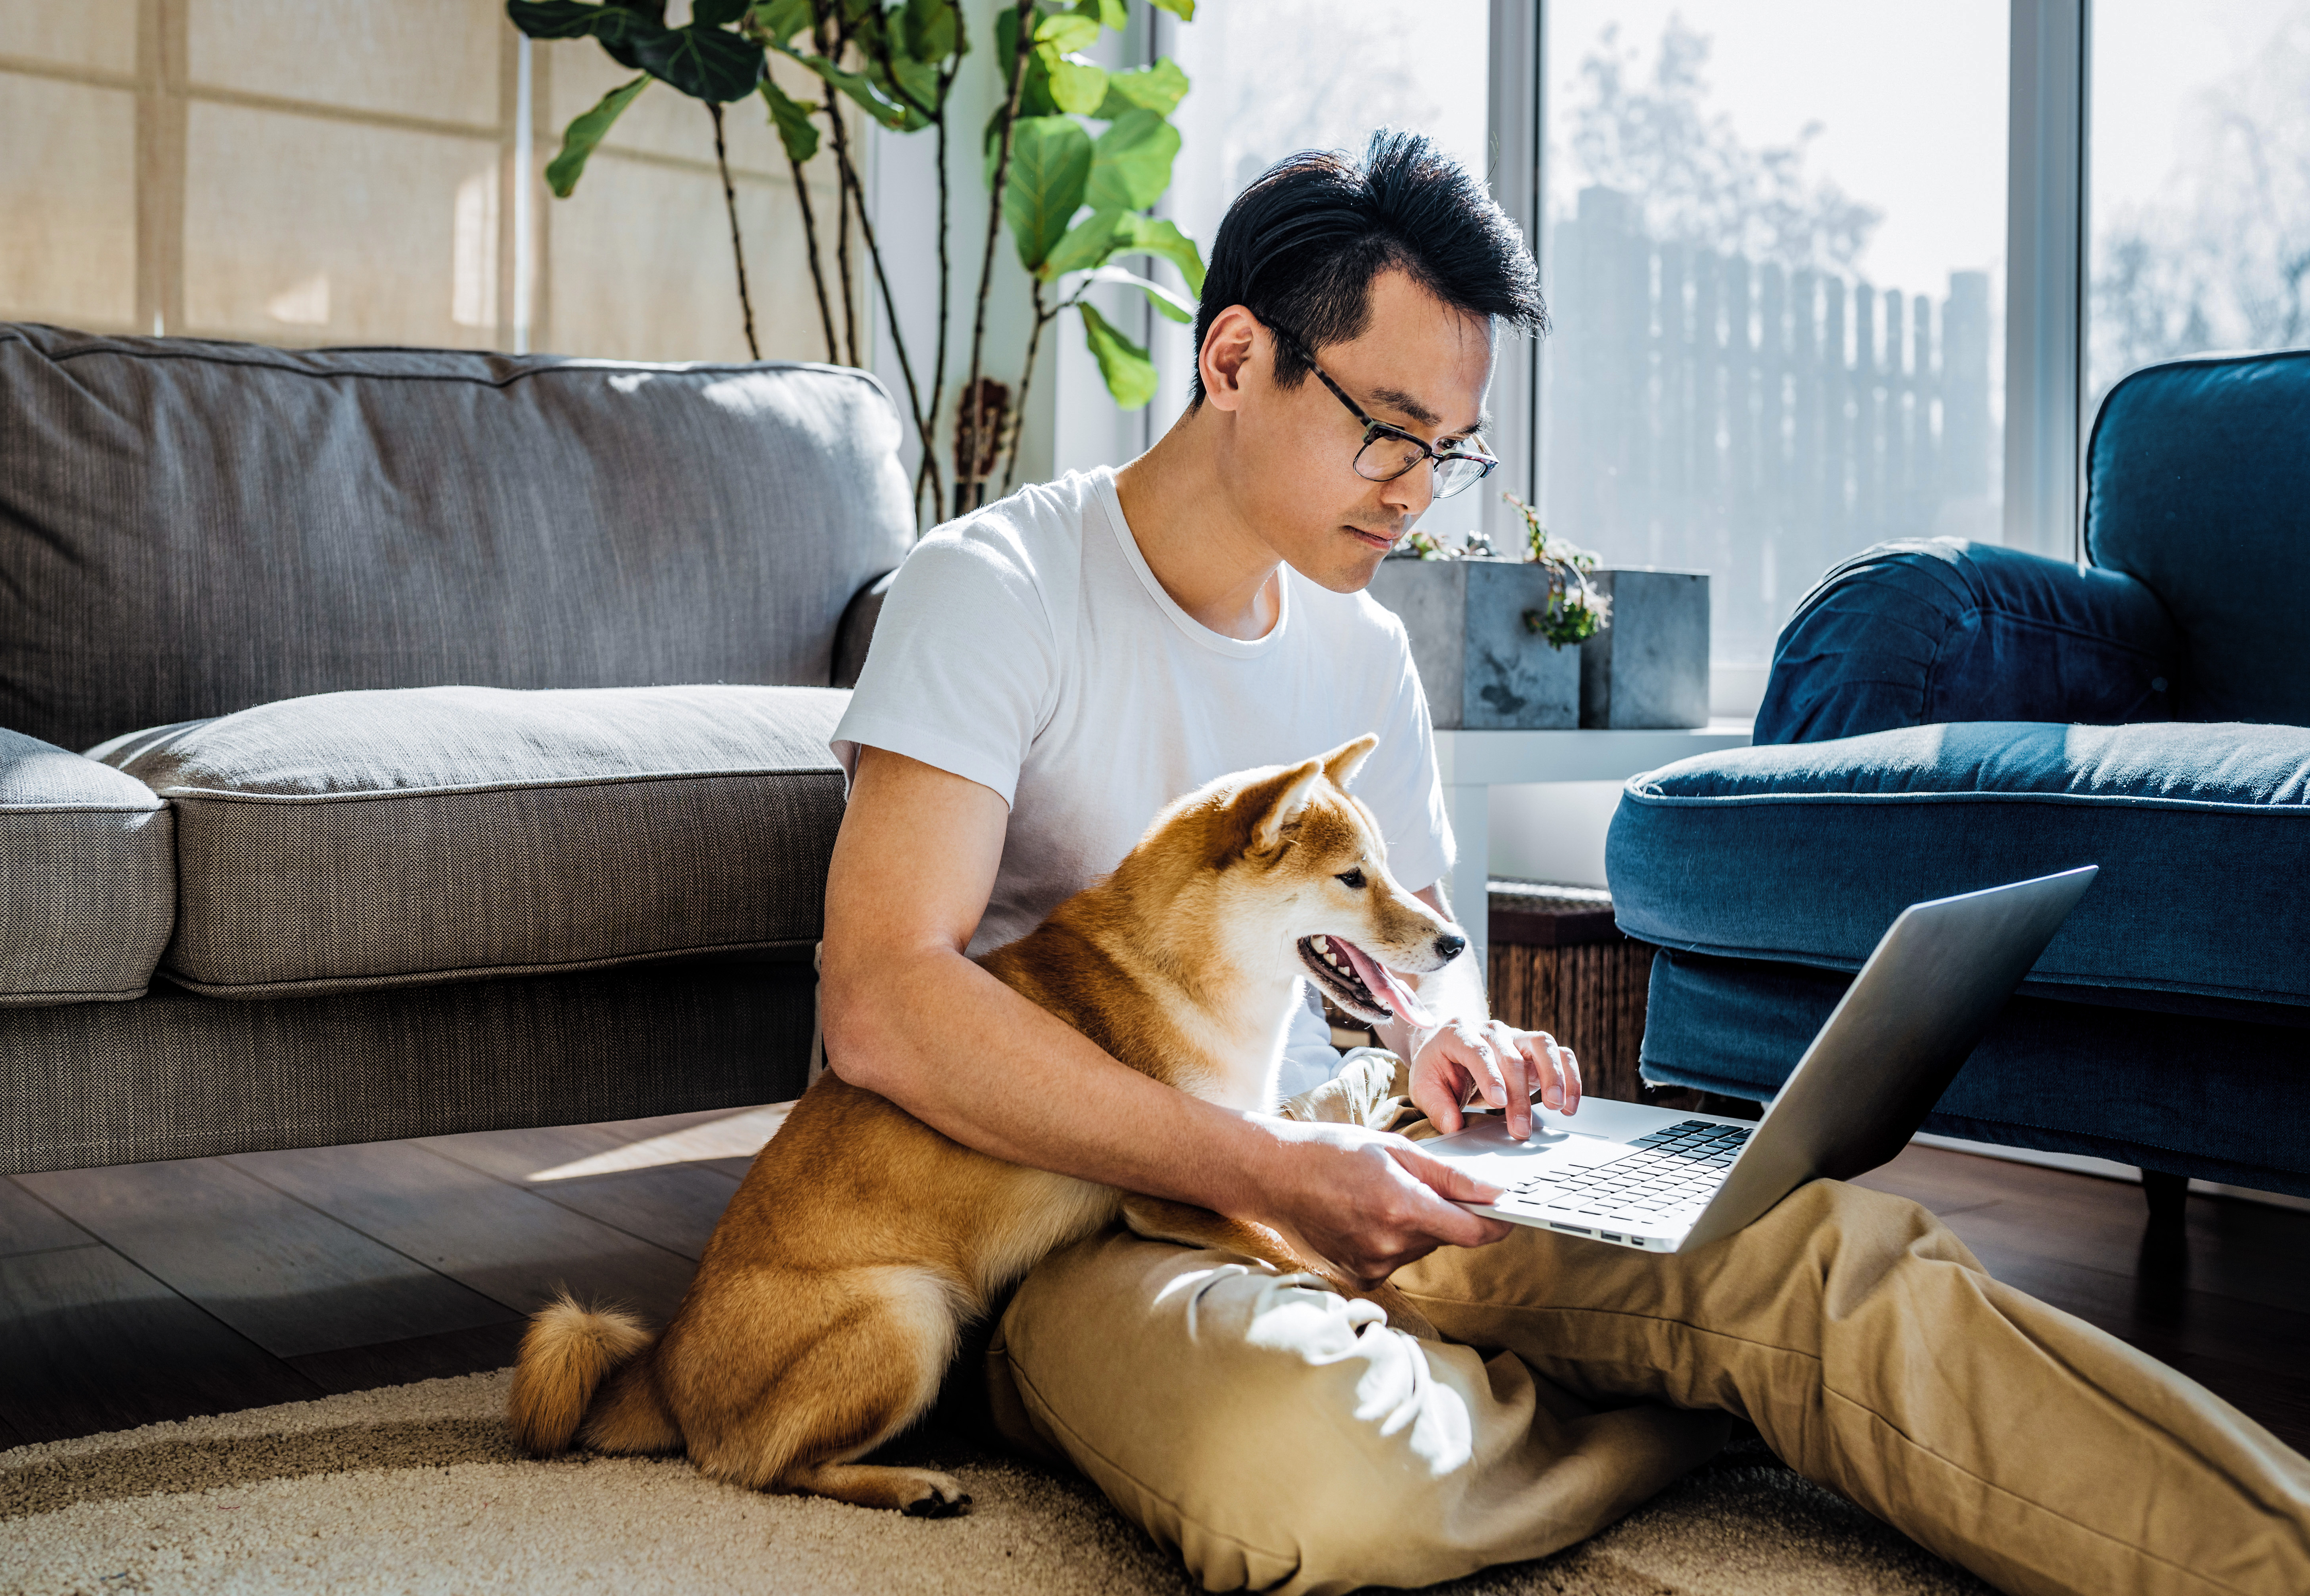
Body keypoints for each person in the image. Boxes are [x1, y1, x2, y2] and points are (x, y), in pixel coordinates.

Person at [822, 130, 2309, 1596]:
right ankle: (1695, 1404)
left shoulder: (1363, 646)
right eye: (1386, 427)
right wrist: (1279, 1165)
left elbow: (1400, 990)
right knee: (1316, 1482)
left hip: (1366, 1160)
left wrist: (1459, 1049)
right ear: (1233, 360)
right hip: (1080, 1211)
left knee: (1826, 1260)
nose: (1414, 490)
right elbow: (885, 999)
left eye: (1448, 452)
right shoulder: (995, 589)